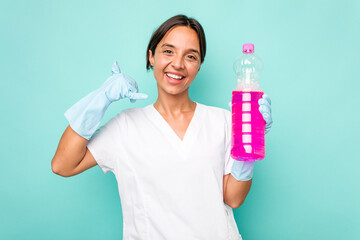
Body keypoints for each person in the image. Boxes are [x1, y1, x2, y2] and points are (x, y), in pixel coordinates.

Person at [51, 14, 273, 240]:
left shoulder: (223, 121)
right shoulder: (125, 127)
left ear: (199, 66)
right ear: (151, 56)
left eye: (191, 56)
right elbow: (63, 165)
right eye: (168, 51)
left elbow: (234, 198)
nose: (178, 63)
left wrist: (250, 144)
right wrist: (100, 98)